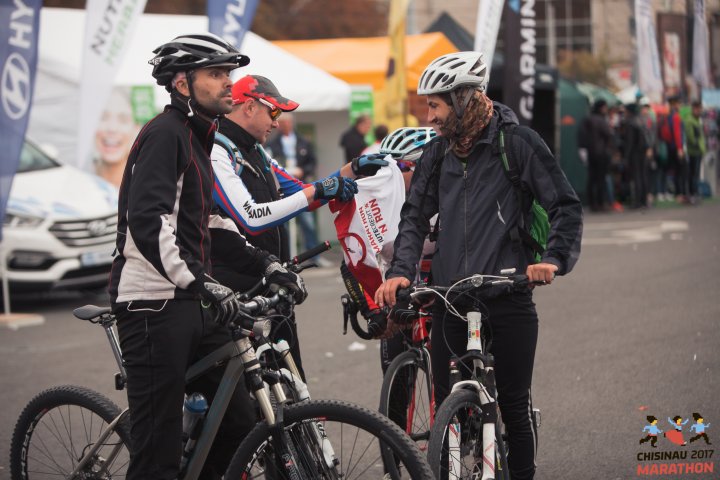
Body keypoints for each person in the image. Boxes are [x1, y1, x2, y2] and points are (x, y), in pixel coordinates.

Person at [374, 51, 583, 480]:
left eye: (436, 105)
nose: (429, 116)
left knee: (512, 405)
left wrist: (552, 260)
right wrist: (401, 271)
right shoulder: (436, 155)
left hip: (507, 293)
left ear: (465, 98)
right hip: (451, 297)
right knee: (445, 407)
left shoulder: (517, 142)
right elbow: (413, 218)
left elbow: (564, 204)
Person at [108, 33, 306, 480]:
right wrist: (201, 281)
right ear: (182, 84)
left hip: (194, 301)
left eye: (228, 74)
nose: (227, 84)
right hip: (152, 304)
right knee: (156, 456)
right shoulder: (165, 136)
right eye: (216, 74)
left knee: (239, 424)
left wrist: (265, 263)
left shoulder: (199, 135)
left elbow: (209, 222)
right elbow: (149, 223)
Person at [210, 74, 386, 377]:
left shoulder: (256, 149)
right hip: (235, 288)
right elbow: (252, 218)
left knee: (293, 384)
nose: (277, 122)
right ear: (250, 107)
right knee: (248, 403)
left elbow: (298, 189)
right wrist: (321, 189)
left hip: (271, 281)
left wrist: (351, 171)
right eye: (274, 112)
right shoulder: (217, 150)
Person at [265, 113, 327, 264]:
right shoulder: (272, 144)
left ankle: (314, 257)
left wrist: (303, 171)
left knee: (308, 224)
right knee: (282, 224)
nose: (284, 125)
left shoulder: (303, 141)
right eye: (282, 123)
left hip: (301, 184)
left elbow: (312, 162)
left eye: (287, 123)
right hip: (283, 188)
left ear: (292, 124)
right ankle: (283, 258)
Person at [94, 88, 140, 187]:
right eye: (103, 117)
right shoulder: (76, 178)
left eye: (123, 120)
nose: (112, 128)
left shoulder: (149, 187)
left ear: (137, 129)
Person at [578, 99, 614, 212]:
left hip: (590, 153)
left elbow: (581, 136)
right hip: (601, 153)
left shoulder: (586, 119)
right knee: (600, 179)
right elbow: (608, 135)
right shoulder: (601, 120)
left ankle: (592, 203)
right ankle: (600, 203)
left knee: (591, 179)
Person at [660, 95, 687, 202]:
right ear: (674, 104)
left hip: (669, 146)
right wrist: (680, 148)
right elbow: (677, 133)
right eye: (678, 103)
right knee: (679, 171)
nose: (680, 105)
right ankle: (679, 193)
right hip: (675, 147)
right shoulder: (676, 116)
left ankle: (668, 192)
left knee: (670, 170)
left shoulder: (667, 116)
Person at [622, 103, 649, 208]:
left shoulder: (630, 123)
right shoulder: (641, 120)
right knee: (643, 176)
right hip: (642, 151)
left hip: (635, 153)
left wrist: (626, 156)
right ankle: (644, 200)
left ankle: (638, 201)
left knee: (637, 177)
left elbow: (630, 142)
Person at [684, 101, 706, 203]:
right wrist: (697, 144)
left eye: (700, 109)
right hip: (693, 152)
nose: (699, 111)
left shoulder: (698, 120)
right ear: (693, 109)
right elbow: (691, 137)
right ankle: (692, 194)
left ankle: (694, 193)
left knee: (695, 174)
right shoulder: (690, 120)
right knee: (693, 174)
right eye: (697, 109)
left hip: (698, 151)